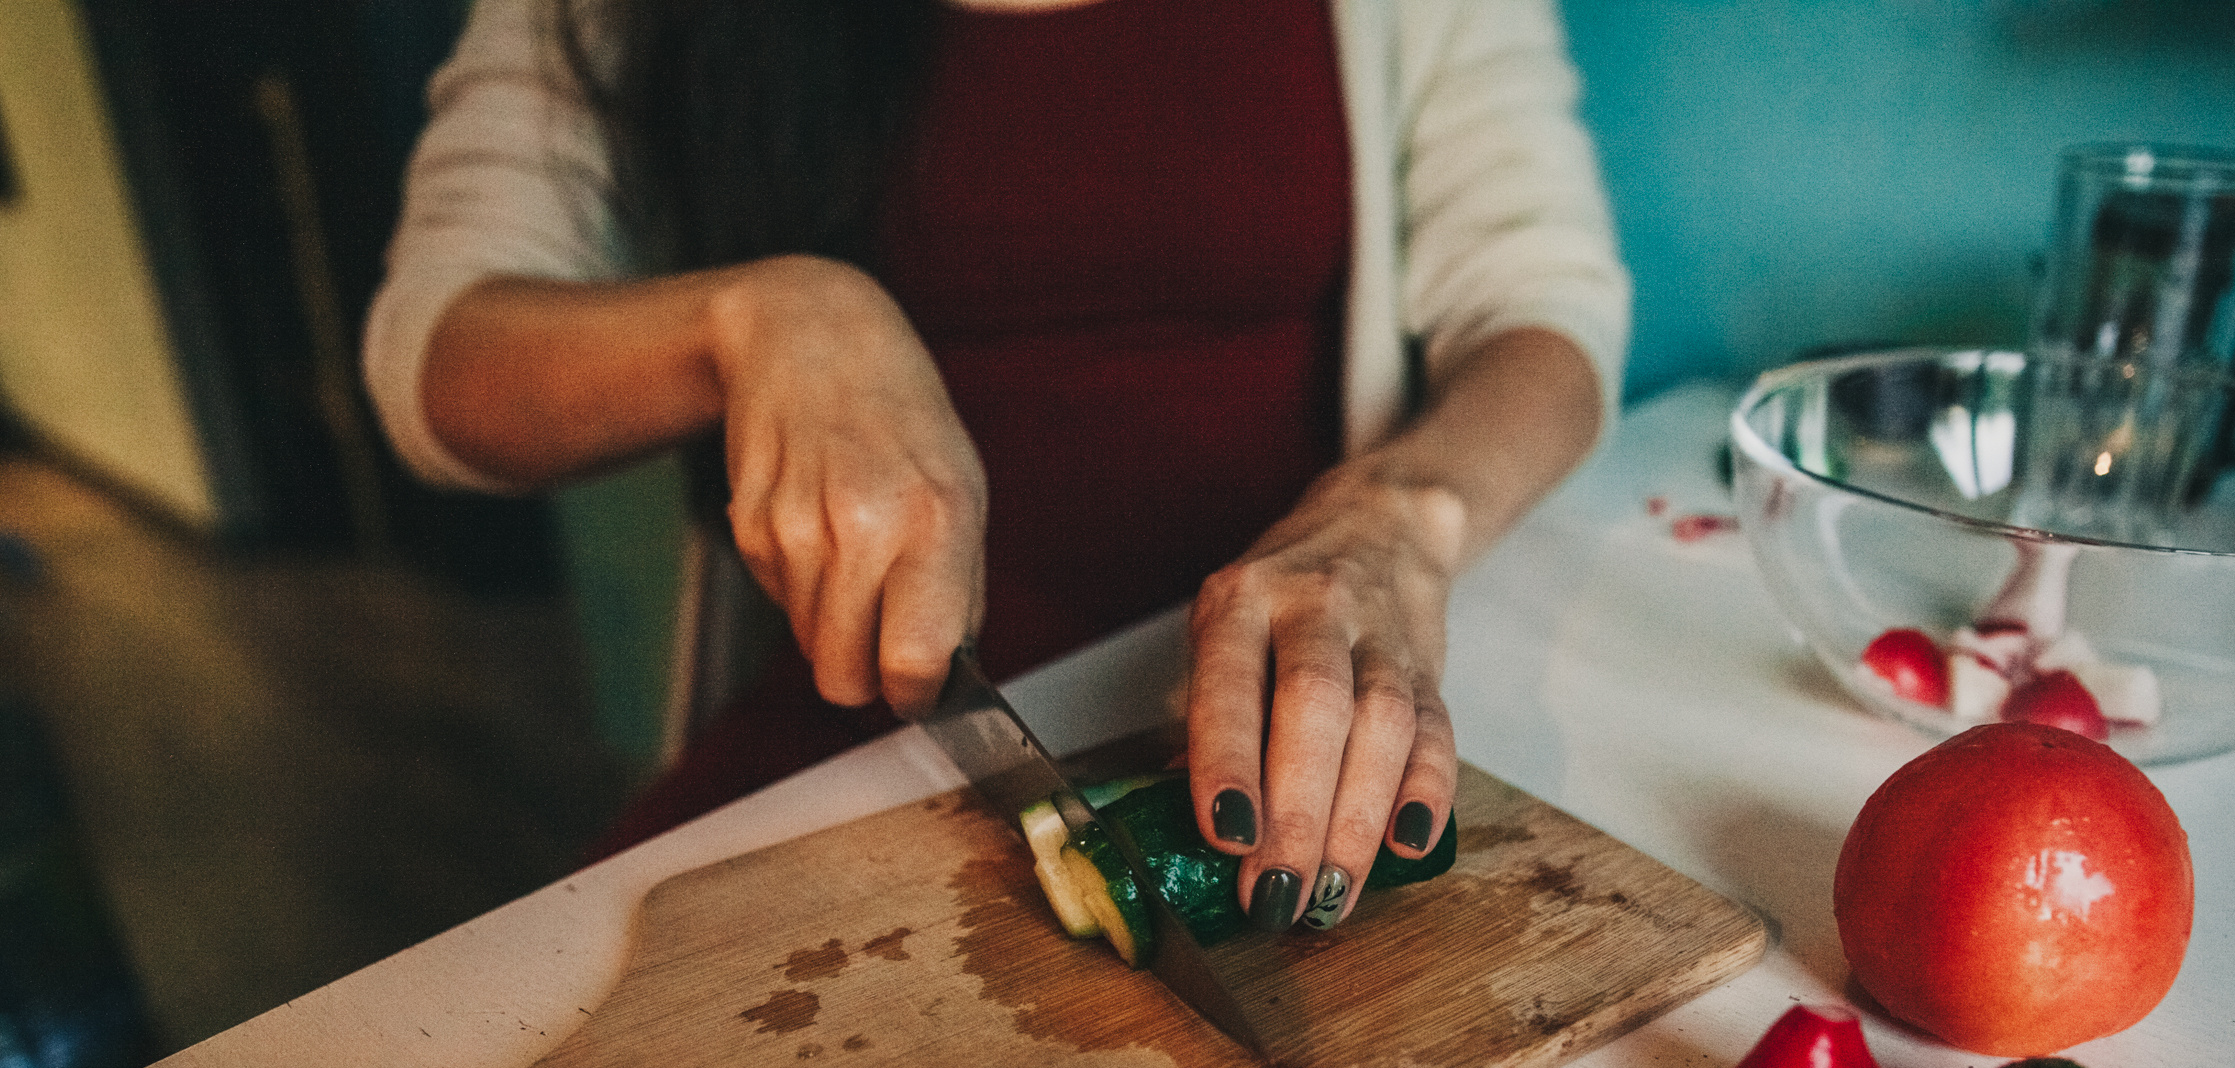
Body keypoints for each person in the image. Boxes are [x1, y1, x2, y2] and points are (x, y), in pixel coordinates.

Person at [364, 0, 1628, 936]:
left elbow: (1544, 302)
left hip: (1281, 710)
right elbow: (435, 357)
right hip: (856, 725)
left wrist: (1392, 517)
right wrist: (750, 323)